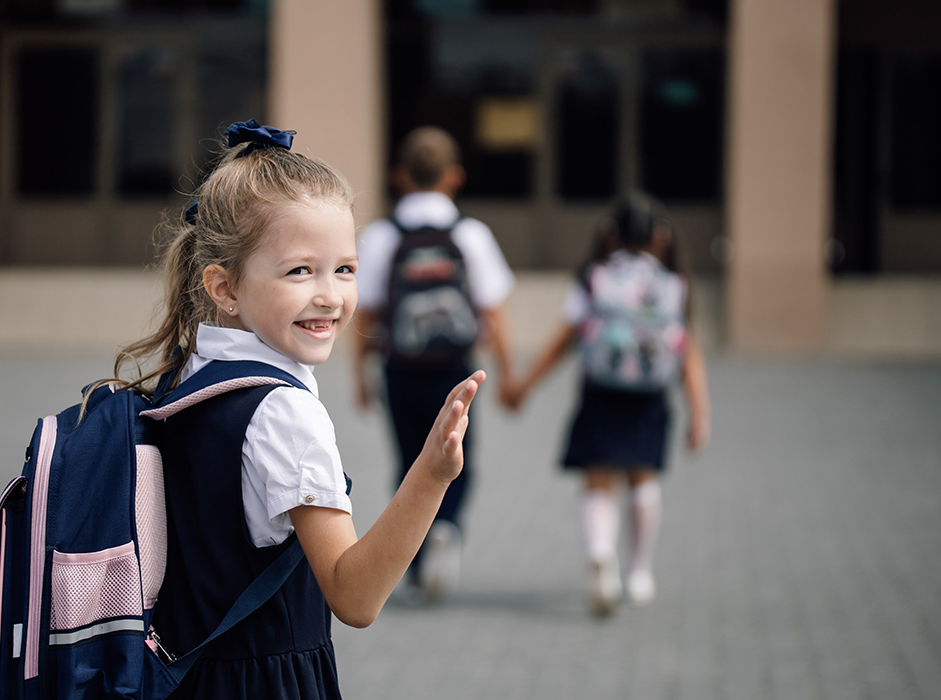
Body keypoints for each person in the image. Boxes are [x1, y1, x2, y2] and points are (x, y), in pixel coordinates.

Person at [102, 120, 484, 698]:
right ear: (224, 288)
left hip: (188, 674)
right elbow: (354, 597)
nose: (330, 294)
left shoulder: (193, 371)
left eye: (345, 268)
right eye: (300, 270)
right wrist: (431, 476)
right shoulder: (283, 411)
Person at [503, 192, 710, 617]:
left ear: (610, 234)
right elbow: (688, 352)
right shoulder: (674, 284)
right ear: (661, 236)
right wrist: (700, 412)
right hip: (650, 394)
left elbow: (566, 339)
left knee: (598, 479)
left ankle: (600, 554)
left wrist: (525, 384)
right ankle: (639, 572)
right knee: (642, 476)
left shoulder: (594, 277)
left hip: (600, 390)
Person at [352, 126, 514, 602]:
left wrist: (361, 376)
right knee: (458, 458)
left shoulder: (382, 236)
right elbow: (493, 311)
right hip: (457, 370)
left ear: (399, 176)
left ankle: (418, 562)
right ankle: (447, 526)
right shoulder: (470, 234)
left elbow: (368, 312)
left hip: (399, 368)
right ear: (454, 177)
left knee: (408, 461)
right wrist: (509, 375)